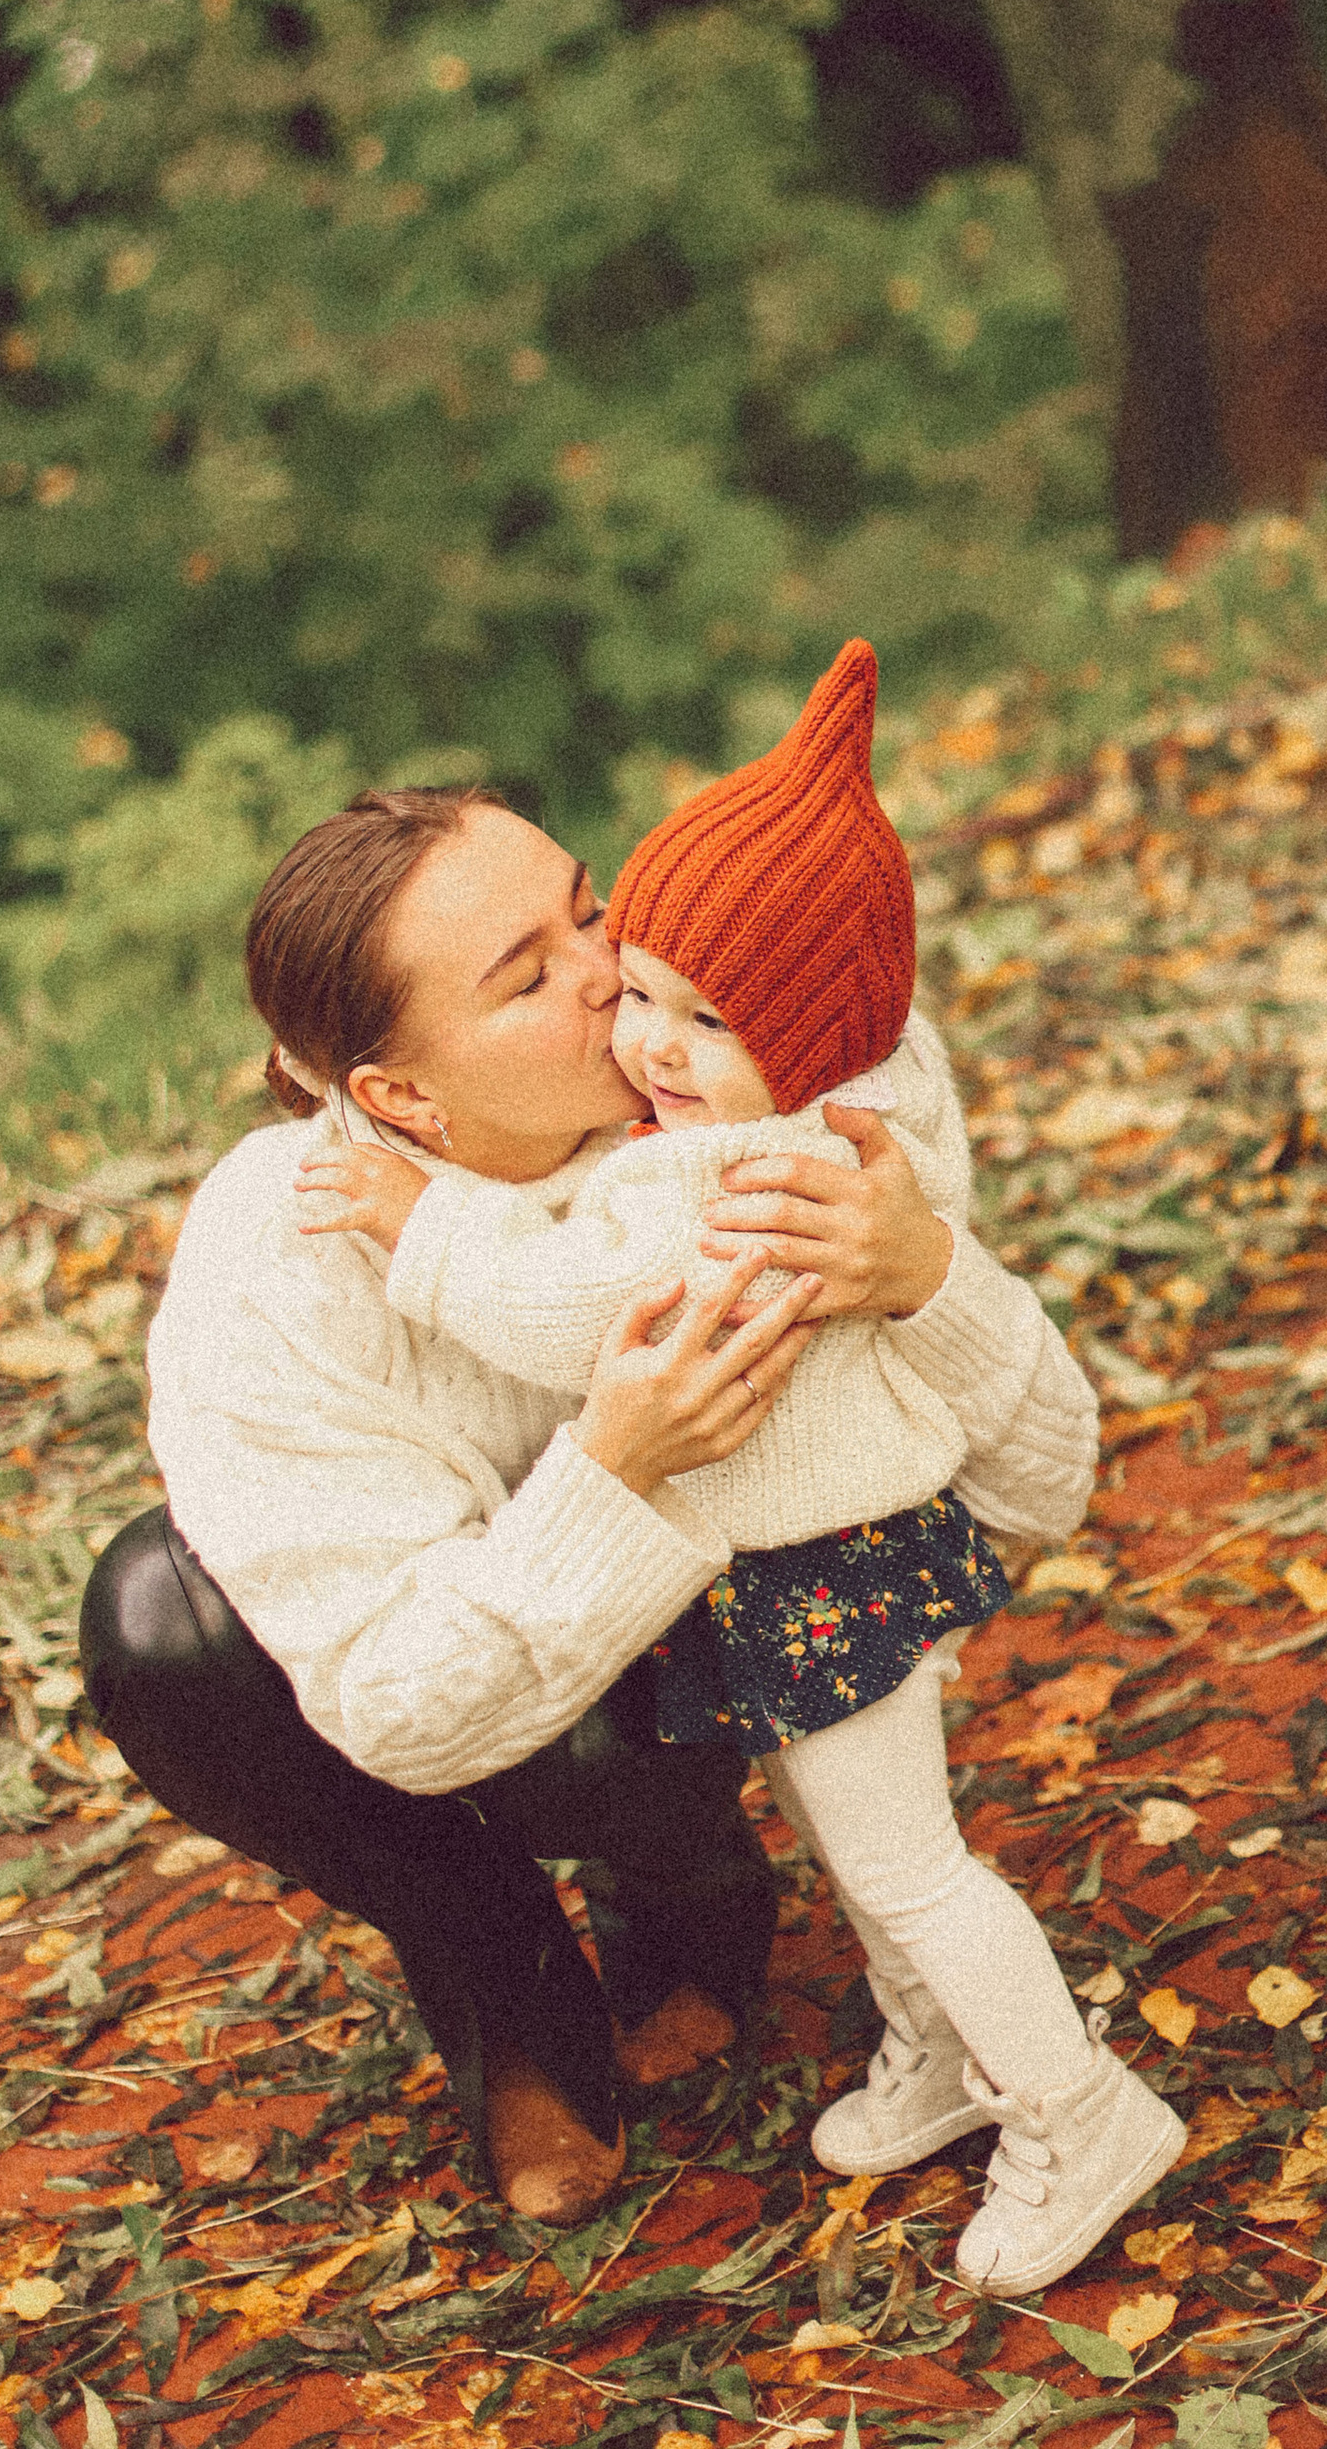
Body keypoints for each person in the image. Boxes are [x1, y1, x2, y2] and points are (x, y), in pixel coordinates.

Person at [297, 643, 1183, 2297]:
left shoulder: (735, 1176)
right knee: (855, 1844)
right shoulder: (792, 1117)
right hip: (816, 1563)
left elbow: (576, 1311)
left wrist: (430, 1231)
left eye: (708, 1022)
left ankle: (1078, 2109)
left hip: (826, 1571)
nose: (647, 1043)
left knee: (911, 1865)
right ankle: (935, 2054)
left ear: (815, 1034)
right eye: (642, 992)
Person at [81, 773, 1068, 2226]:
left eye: (590, 909)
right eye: (528, 977)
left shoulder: (762, 1074)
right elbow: (405, 1710)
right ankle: (499, 1972)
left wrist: (928, 1275)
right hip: (471, 1655)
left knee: (686, 1702)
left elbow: (1043, 1480)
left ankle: (684, 1881)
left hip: (729, 1633)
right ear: (399, 1098)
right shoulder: (277, 1264)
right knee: (160, 1626)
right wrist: (615, 1466)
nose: (613, 969)